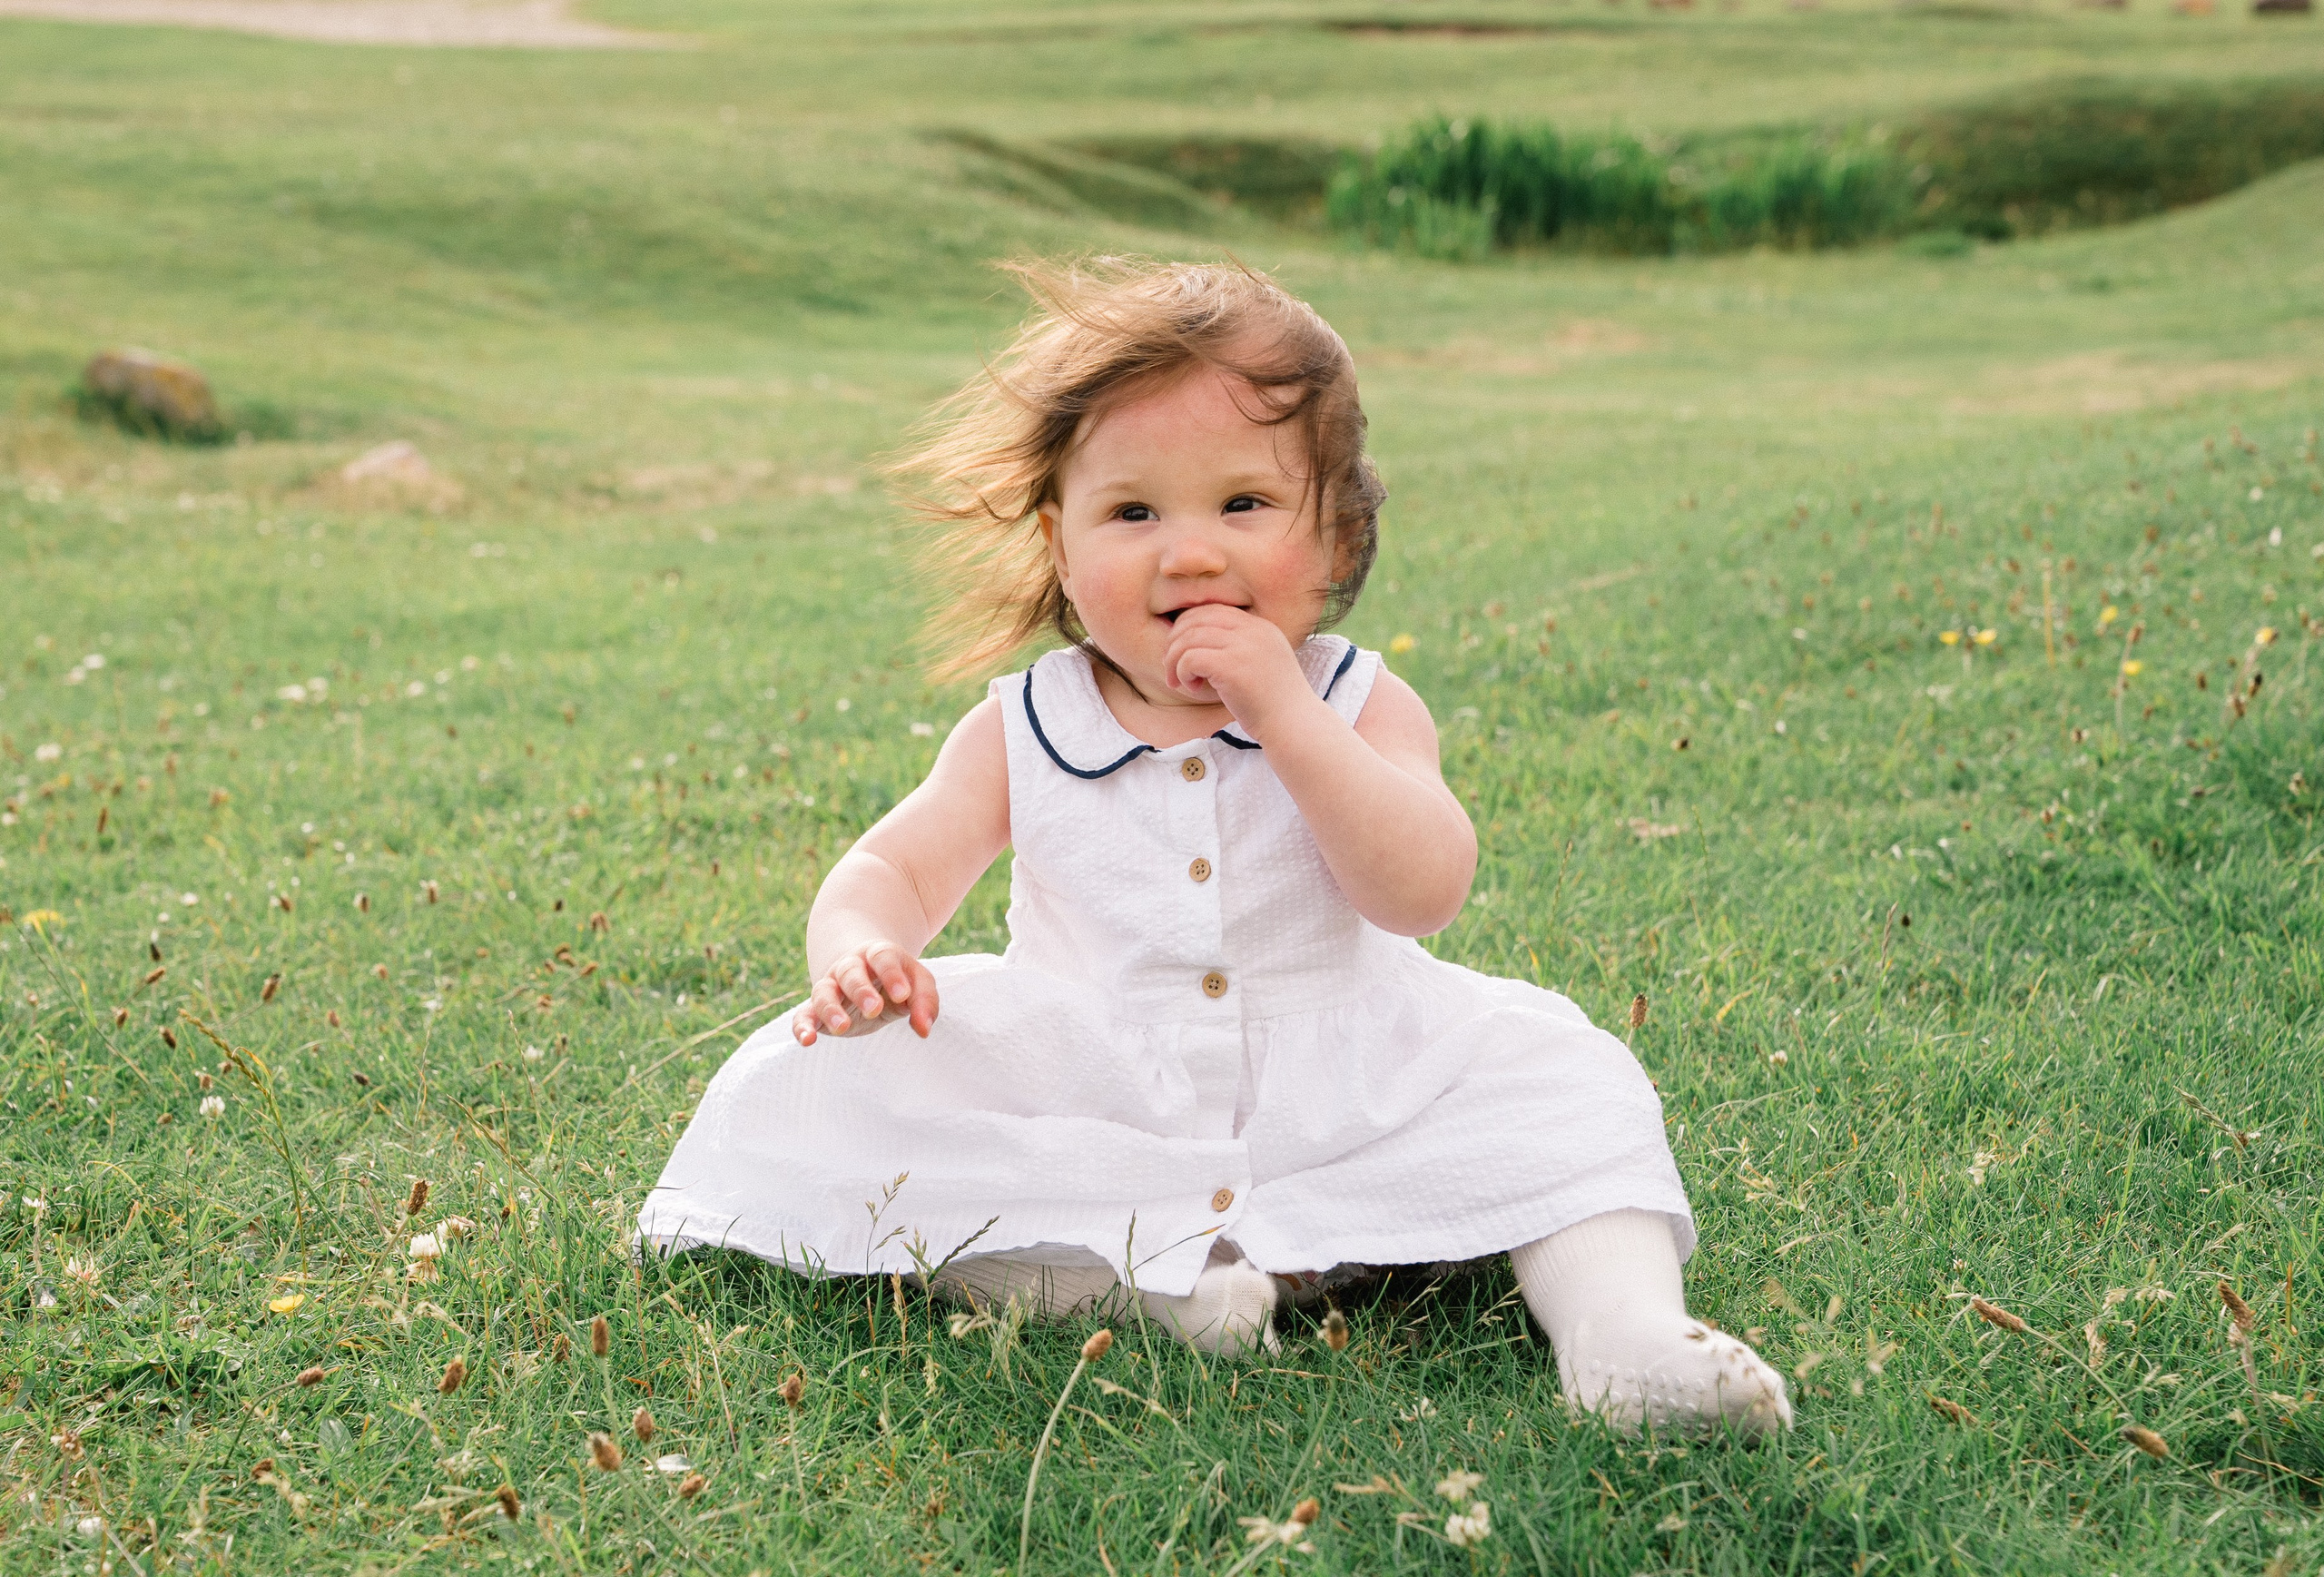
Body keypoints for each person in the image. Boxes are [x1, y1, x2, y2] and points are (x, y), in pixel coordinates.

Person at [637, 258, 1790, 1436]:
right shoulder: (1026, 724)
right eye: (1134, 514)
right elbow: (895, 867)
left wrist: (1286, 715)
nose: (1189, 554)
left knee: (1569, 1084)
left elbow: (1422, 890)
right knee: (831, 1088)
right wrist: (860, 950)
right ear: (1062, 546)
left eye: (1242, 505)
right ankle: (1150, 1290)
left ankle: (1622, 1335)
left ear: (1335, 537)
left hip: (1354, 1097)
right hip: (1101, 1097)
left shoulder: (1354, 703)